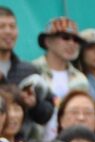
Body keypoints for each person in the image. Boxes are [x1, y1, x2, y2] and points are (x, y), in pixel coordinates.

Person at [0, 6, 55, 134]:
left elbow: (46, 113)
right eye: (2, 27)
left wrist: (34, 104)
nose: (8, 31)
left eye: (12, 26)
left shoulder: (29, 70)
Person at [33, 16, 88, 142]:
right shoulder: (32, 71)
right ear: (48, 41)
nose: (71, 43)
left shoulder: (81, 80)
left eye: (76, 40)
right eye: (65, 37)